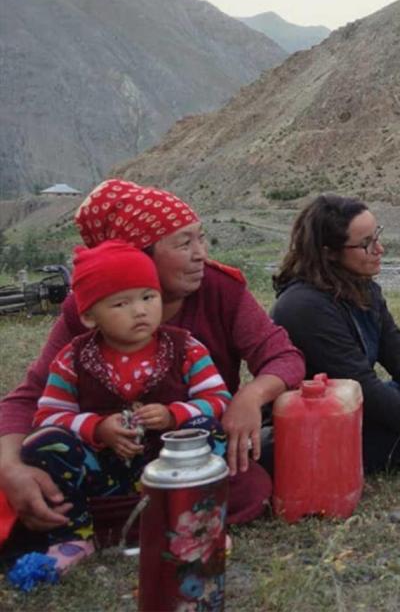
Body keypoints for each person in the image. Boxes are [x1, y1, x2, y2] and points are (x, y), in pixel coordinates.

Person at [0, 179, 304, 540]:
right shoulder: (89, 307)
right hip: (105, 456)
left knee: (248, 486)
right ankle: (168, 514)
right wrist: (9, 467)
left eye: (201, 238)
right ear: (139, 256)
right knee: (37, 467)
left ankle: (99, 522)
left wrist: (250, 397)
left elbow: (283, 357)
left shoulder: (220, 290)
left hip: (185, 452)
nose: (201, 255)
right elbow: (29, 397)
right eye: (184, 243)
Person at [22, 241, 231, 572]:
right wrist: (97, 428)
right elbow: (47, 416)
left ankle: (197, 527)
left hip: (169, 464)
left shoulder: (186, 348)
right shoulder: (73, 359)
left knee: (208, 432)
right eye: (121, 303)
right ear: (89, 315)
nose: (140, 310)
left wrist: (173, 415)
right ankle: (73, 536)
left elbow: (218, 399)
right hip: (103, 469)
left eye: (149, 297)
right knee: (44, 444)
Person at [271, 194, 400, 486]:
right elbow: (365, 394)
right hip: (329, 427)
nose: (379, 249)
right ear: (329, 252)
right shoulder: (305, 307)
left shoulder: (361, 289)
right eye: (366, 244)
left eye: (377, 236)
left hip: (361, 406)